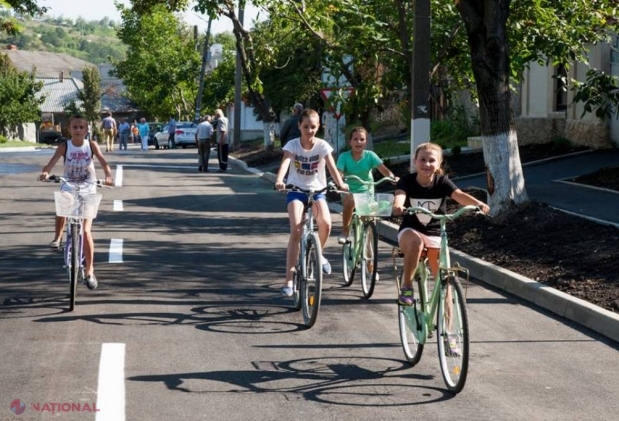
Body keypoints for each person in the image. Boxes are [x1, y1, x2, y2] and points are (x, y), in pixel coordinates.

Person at [392, 142, 490, 306]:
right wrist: (398, 205)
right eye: (422, 160)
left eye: (432, 160)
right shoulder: (406, 181)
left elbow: (459, 195)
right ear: (415, 161)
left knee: (442, 275)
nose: (427, 164)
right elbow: (400, 195)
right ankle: (407, 287)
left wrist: (478, 203)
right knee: (416, 244)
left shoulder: (442, 182)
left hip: (435, 232)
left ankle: (448, 317)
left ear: (439, 164)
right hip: (411, 229)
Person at [274, 108, 349, 297]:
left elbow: (332, 167)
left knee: (326, 224)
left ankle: (319, 254)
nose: (309, 130)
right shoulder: (293, 145)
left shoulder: (322, 146)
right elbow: (285, 163)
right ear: (299, 126)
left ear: (319, 127)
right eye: (306, 126)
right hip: (296, 191)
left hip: (317, 192)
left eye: (313, 127)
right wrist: (280, 180)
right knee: (296, 229)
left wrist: (340, 184)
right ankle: (289, 280)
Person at [39, 114, 114, 290]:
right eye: (75, 127)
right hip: (69, 184)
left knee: (86, 231)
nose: (78, 130)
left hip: (88, 186)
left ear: (86, 129)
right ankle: (57, 238)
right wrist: (45, 173)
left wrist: (108, 176)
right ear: (69, 129)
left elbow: (104, 163)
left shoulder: (91, 145)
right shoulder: (65, 146)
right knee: (63, 202)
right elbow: (50, 164)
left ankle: (89, 271)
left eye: (81, 127)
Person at [336, 126, 399, 244]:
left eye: (362, 139)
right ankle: (345, 230)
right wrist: (340, 179)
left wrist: (392, 178)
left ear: (366, 142)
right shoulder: (344, 156)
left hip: (366, 192)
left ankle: (368, 248)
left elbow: (384, 170)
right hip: (348, 191)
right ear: (350, 142)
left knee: (368, 219)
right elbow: (339, 172)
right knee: (350, 201)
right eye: (355, 139)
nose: (358, 142)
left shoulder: (370, 155)